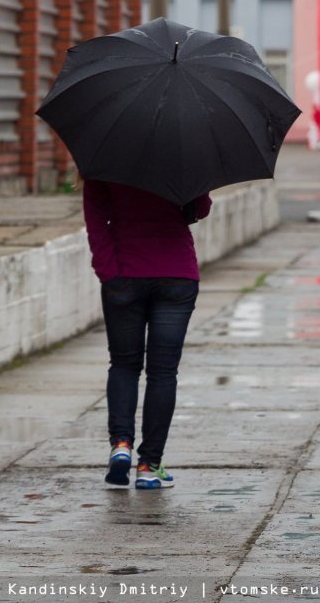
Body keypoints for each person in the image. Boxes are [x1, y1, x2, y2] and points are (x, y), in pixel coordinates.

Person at [83, 180, 212, 490]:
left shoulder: (104, 160)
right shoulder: (184, 156)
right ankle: (149, 466)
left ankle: (122, 446)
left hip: (124, 272)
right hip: (176, 274)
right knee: (163, 373)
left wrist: (108, 272)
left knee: (124, 364)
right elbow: (200, 209)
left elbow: (95, 220)